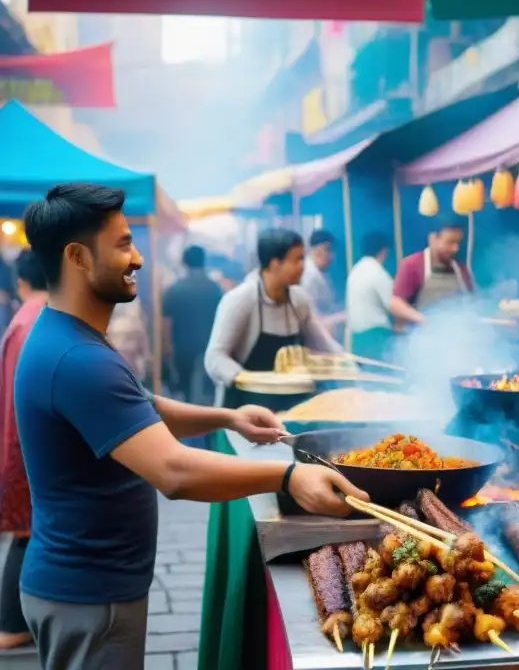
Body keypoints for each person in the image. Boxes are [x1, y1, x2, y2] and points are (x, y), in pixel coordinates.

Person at [14, 184, 367, 670]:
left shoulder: (71, 337)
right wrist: (288, 477)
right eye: (122, 245)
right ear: (77, 256)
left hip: (89, 589)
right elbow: (174, 472)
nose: (137, 257)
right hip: (92, 597)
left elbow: (139, 405)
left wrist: (228, 417)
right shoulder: (78, 359)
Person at [205, 228, 344, 408]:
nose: (303, 266)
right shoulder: (241, 300)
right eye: (297, 260)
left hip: (291, 407)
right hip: (244, 409)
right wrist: (247, 378)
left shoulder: (299, 300)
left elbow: (323, 345)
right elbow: (214, 357)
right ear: (273, 263)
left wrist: (348, 361)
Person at [0, 250, 48, 650]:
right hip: (30, 445)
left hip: (26, 443)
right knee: (26, 531)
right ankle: (13, 623)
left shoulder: (25, 319)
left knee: (29, 531)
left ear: (20, 282)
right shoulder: (34, 321)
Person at [345, 232, 424, 360]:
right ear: (383, 251)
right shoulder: (377, 272)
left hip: (357, 339)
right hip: (376, 337)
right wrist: (422, 319)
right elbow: (394, 304)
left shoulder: (355, 271)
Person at [163, 246, 222, 402]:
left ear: (184, 262)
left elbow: (167, 322)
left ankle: (190, 418)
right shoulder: (215, 288)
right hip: (209, 344)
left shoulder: (175, 289)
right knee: (209, 391)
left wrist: (167, 347)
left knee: (185, 388)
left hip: (182, 345)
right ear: (204, 261)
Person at [393, 218, 474, 313]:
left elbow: (472, 302)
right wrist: (424, 321)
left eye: (457, 243)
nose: (455, 248)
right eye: (450, 243)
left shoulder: (462, 270)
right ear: (433, 239)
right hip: (423, 327)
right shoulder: (412, 265)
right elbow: (395, 303)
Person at [300, 229, 344, 327]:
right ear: (319, 250)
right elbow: (310, 317)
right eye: (329, 250)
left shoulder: (321, 273)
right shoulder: (309, 275)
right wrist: (341, 317)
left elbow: (327, 307)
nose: (332, 256)